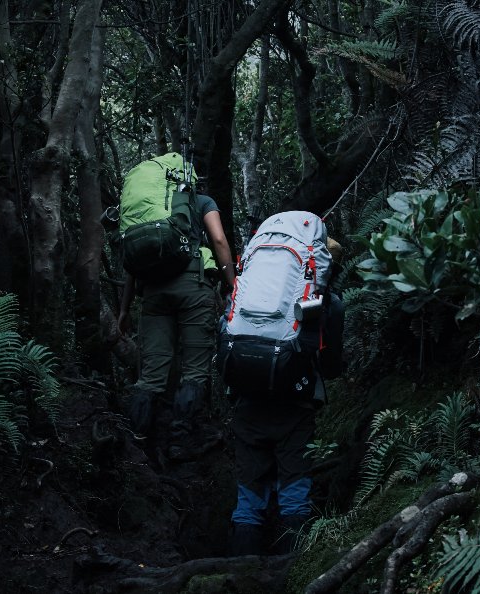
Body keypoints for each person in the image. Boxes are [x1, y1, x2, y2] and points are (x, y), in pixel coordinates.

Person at [227, 237, 345, 556]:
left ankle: (241, 574)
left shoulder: (247, 298)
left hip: (247, 405)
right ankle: (292, 572)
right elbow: (332, 367)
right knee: (294, 493)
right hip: (295, 408)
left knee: (249, 498)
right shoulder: (329, 303)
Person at [118, 186, 235, 439]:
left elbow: (133, 264)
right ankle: (181, 441)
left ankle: (136, 446)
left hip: (153, 292)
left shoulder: (150, 211)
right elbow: (218, 240)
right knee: (194, 371)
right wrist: (232, 285)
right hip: (193, 288)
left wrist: (124, 310)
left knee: (150, 376)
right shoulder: (203, 201)